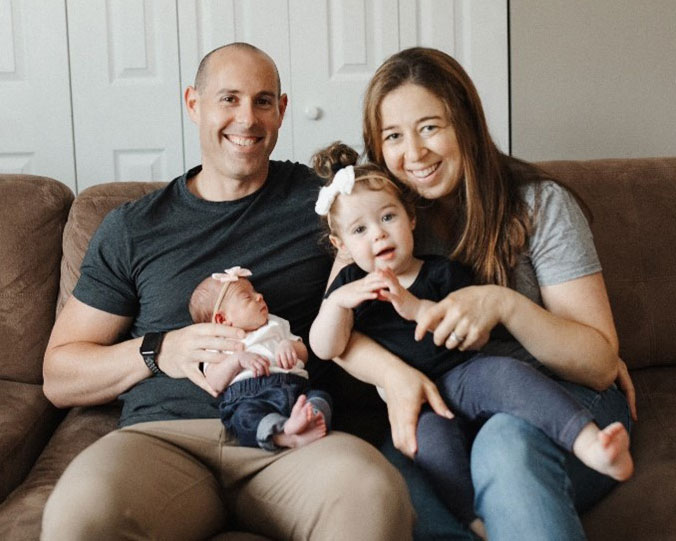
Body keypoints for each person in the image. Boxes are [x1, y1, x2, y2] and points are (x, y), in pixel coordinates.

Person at [40, 42, 413, 541]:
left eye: (263, 101)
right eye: (229, 99)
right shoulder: (133, 227)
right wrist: (158, 351)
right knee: (80, 514)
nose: (247, 118)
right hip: (164, 441)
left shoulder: (327, 205)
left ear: (281, 111)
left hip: (293, 437)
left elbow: (403, 232)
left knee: (372, 493)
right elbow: (59, 375)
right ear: (194, 104)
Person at [326, 47, 636, 540]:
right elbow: (336, 326)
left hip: (556, 398)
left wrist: (504, 305)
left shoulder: (539, 204)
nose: (415, 153)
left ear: (466, 123)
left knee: (505, 442)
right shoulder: (377, 218)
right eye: (393, 136)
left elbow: (598, 363)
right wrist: (394, 374)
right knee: (392, 483)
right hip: (444, 410)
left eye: (430, 127)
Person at [189, 266, 331, 450]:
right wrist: (237, 360)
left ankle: (306, 422)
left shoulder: (276, 323)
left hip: (295, 388)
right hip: (248, 396)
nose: (259, 296)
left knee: (321, 397)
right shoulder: (219, 341)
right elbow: (214, 383)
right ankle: (283, 435)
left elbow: (304, 354)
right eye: (248, 297)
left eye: (255, 291)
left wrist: (289, 345)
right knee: (243, 417)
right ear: (223, 319)